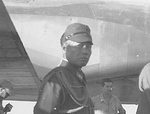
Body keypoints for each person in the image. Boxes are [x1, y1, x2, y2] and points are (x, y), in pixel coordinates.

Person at [34, 23, 94, 114]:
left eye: (88, 47)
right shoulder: (56, 79)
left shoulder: (79, 77)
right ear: (65, 48)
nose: (86, 52)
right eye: (79, 46)